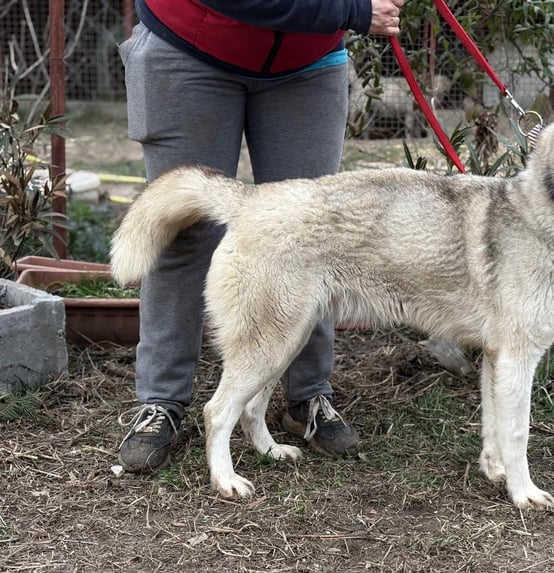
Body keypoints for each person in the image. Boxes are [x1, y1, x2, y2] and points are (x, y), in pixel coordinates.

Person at [117, 0, 404, 473]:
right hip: (189, 49)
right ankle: (162, 402)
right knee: (185, 234)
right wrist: (352, 9)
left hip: (308, 63)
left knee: (312, 236)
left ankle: (308, 398)